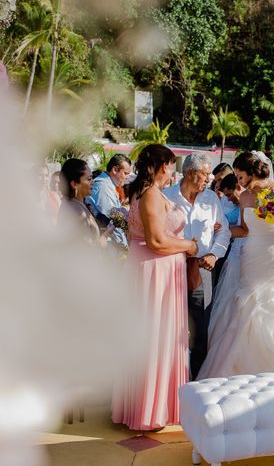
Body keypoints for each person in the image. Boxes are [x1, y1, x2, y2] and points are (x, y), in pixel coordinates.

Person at [111, 145, 198, 431]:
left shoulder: (143, 192)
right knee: (155, 337)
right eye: (172, 165)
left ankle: (151, 404)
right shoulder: (149, 194)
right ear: (162, 166)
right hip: (155, 272)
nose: (173, 171)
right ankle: (150, 410)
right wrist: (191, 246)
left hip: (155, 270)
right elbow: (157, 241)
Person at [197, 152, 274, 379]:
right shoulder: (244, 197)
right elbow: (244, 230)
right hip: (252, 256)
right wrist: (220, 229)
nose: (238, 180)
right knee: (249, 306)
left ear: (252, 171)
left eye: (240, 175)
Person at [163, 153, 230, 379]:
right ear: (191, 173)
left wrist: (214, 253)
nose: (209, 178)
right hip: (172, 268)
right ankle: (172, 380)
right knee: (171, 327)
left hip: (202, 270)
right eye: (205, 174)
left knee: (200, 329)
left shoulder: (211, 198)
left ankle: (197, 380)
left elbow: (224, 231)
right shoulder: (167, 197)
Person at [58, 158, 113, 246]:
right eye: (89, 179)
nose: (93, 182)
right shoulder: (76, 210)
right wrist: (104, 237)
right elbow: (85, 250)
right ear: (74, 184)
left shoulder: (76, 204)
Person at [87, 154, 132, 249]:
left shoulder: (108, 185)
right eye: (125, 173)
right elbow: (114, 220)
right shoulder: (103, 187)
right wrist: (123, 246)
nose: (127, 177)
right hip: (109, 246)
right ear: (115, 170)